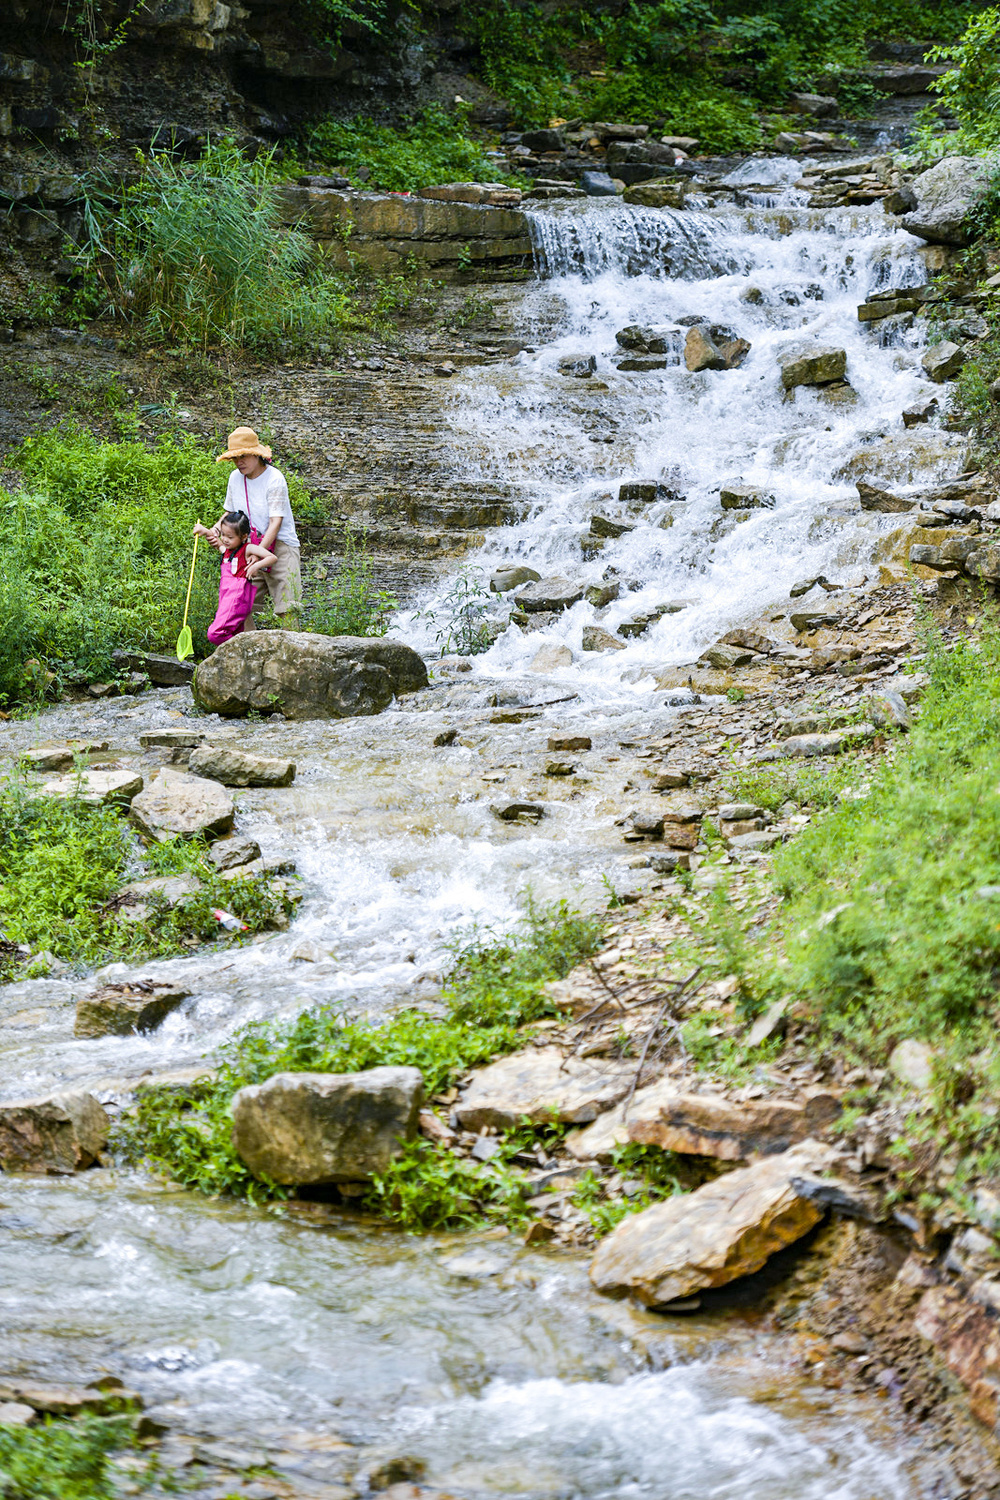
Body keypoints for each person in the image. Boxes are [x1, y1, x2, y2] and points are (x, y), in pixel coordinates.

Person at [212, 426, 302, 630]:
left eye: (243, 456)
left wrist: (260, 553)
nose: (239, 462)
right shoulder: (235, 478)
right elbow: (229, 512)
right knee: (240, 604)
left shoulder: (274, 479)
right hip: (250, 546)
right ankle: (250, 652)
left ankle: (292, 656)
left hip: (280, 546)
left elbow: (275, 523)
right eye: (235, 458)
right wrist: (214, 529)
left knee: (287, 607)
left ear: (257, 454)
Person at [194, 511, 276, 646]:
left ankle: (239, 649)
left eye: (230, 537)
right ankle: (243, 653)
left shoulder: (247, 549)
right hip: (226, 598)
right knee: (237, 633)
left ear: (243, 536)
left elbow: (272, 557)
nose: (225, 539)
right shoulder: (227, 551)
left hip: (237, 600)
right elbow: (219, 545)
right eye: (223, 535)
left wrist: (256, 566)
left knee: (215, 634)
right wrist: (205, 531)